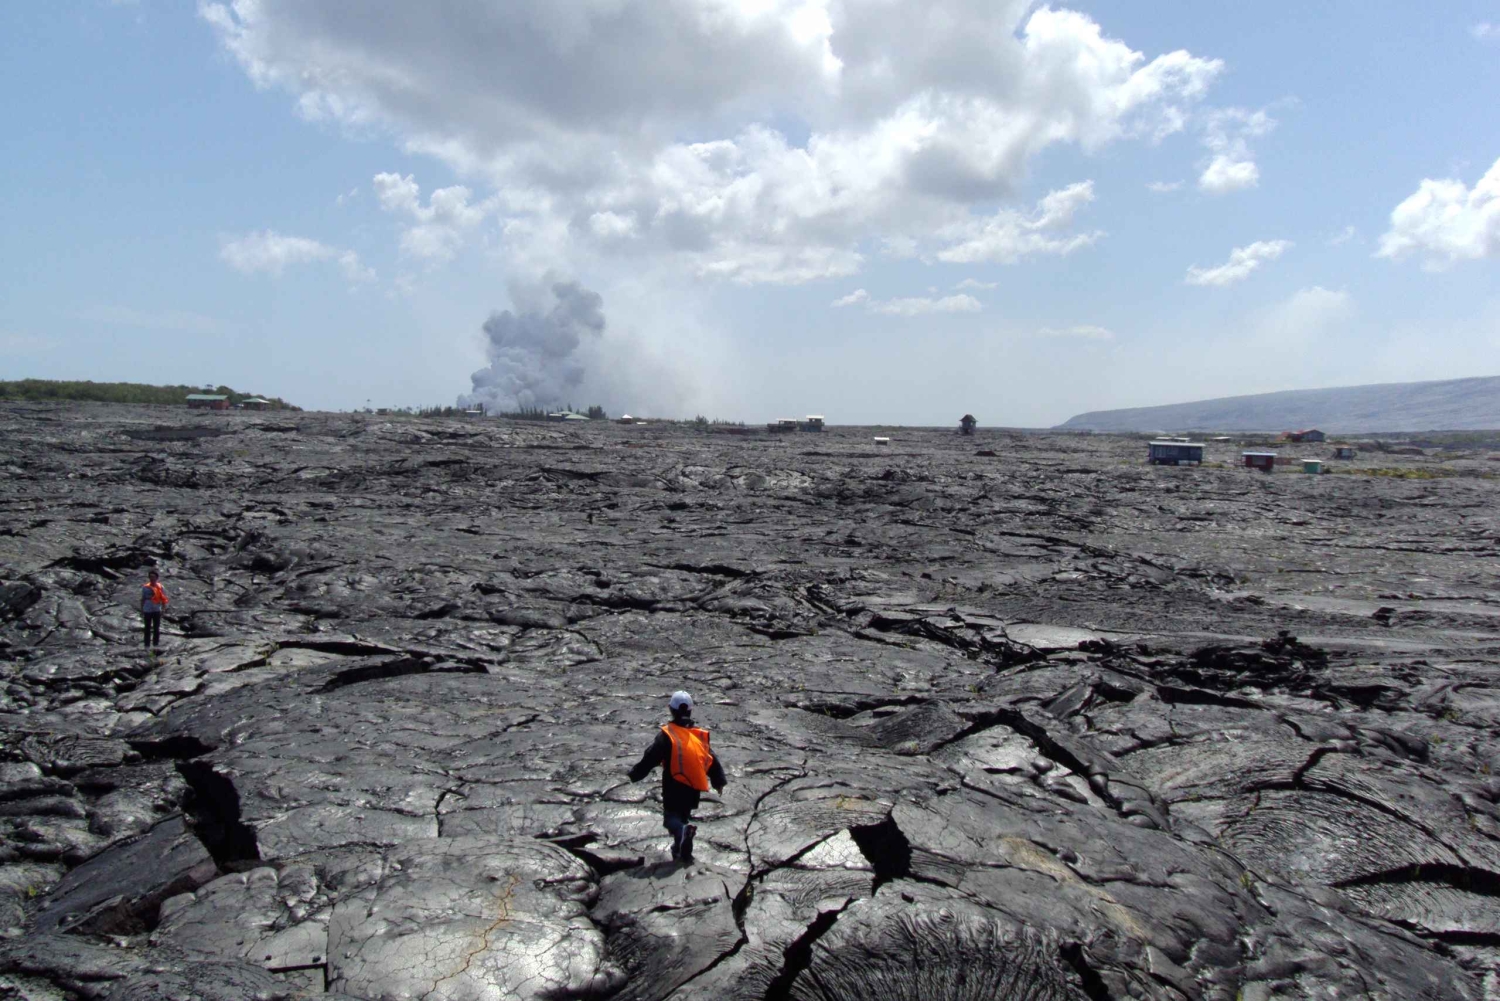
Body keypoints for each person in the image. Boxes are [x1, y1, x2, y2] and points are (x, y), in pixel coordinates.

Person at [627, 691, 726, 863]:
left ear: (670, 710)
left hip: (674, 784)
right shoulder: (698, 736)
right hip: (693, 787)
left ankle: (682, 833)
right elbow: (712, 759)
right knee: (683, 816)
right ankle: (679, 849)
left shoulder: (668, 735)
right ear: (690, 711)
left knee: (671, 818)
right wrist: (719, 781)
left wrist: (634, 774)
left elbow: (651, 756)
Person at [141, 568, 168, 651]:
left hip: (156, 609)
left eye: (153, 577)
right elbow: (143, 598)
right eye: (150, 577)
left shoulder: (160, 587)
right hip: (147, 609)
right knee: (147, 627)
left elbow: (163, 598)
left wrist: (163, 609)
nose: (152, 579)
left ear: (157, 578)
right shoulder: (145, 587)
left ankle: (155, 644)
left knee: (156, 628)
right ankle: (147, 645)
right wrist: (142, 608)